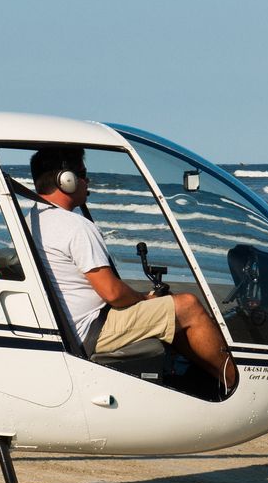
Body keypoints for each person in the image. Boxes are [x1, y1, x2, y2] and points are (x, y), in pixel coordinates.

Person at [28, 147, 236, 392]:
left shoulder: (33, 219)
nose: (87, 181)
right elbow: (113, 293)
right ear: (66, 180)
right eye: (83, 175)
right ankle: (238, 386)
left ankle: (203, 380)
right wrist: (143, 299)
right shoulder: (74, 226)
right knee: (188, 306)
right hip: (91, 329)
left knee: (166, 309)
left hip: (71, 325)